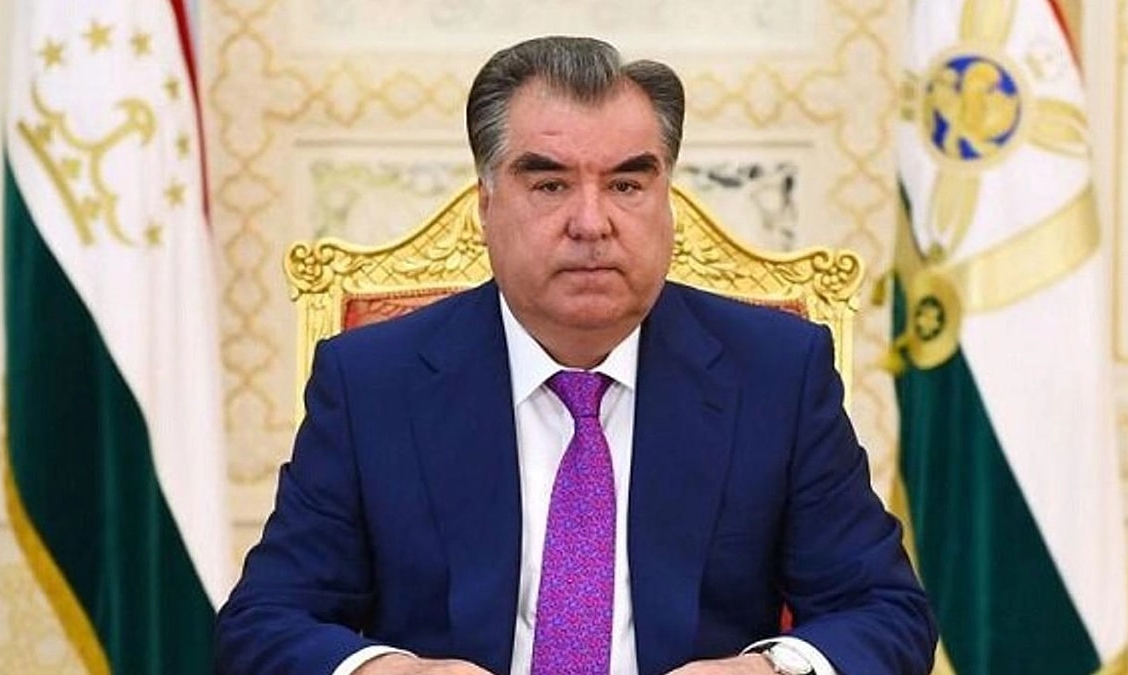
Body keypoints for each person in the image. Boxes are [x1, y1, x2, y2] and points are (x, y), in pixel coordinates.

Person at [216, 36, 937, 675]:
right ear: (485, 205)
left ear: (666, 199)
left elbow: (884, 611)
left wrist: (772, 671)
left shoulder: (774, 372)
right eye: (550, 184)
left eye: (627, 184)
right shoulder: (374, 381)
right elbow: (265, 621)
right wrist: (388, 671)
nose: (592, 223)